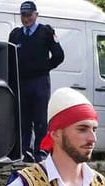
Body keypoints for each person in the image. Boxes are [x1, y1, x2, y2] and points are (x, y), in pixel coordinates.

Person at [9, 1, 64, 162]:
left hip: (39, 82)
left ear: (36, 15)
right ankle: (25, 151)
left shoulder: (46, 32)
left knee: (40, 119)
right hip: (22, 83)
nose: (26, 19)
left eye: (29, 15)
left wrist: (44, 68)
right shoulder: (16, 35)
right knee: (23, 119)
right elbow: (10, 59)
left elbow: (59, 55)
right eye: (23, 15)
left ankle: (41, 151)